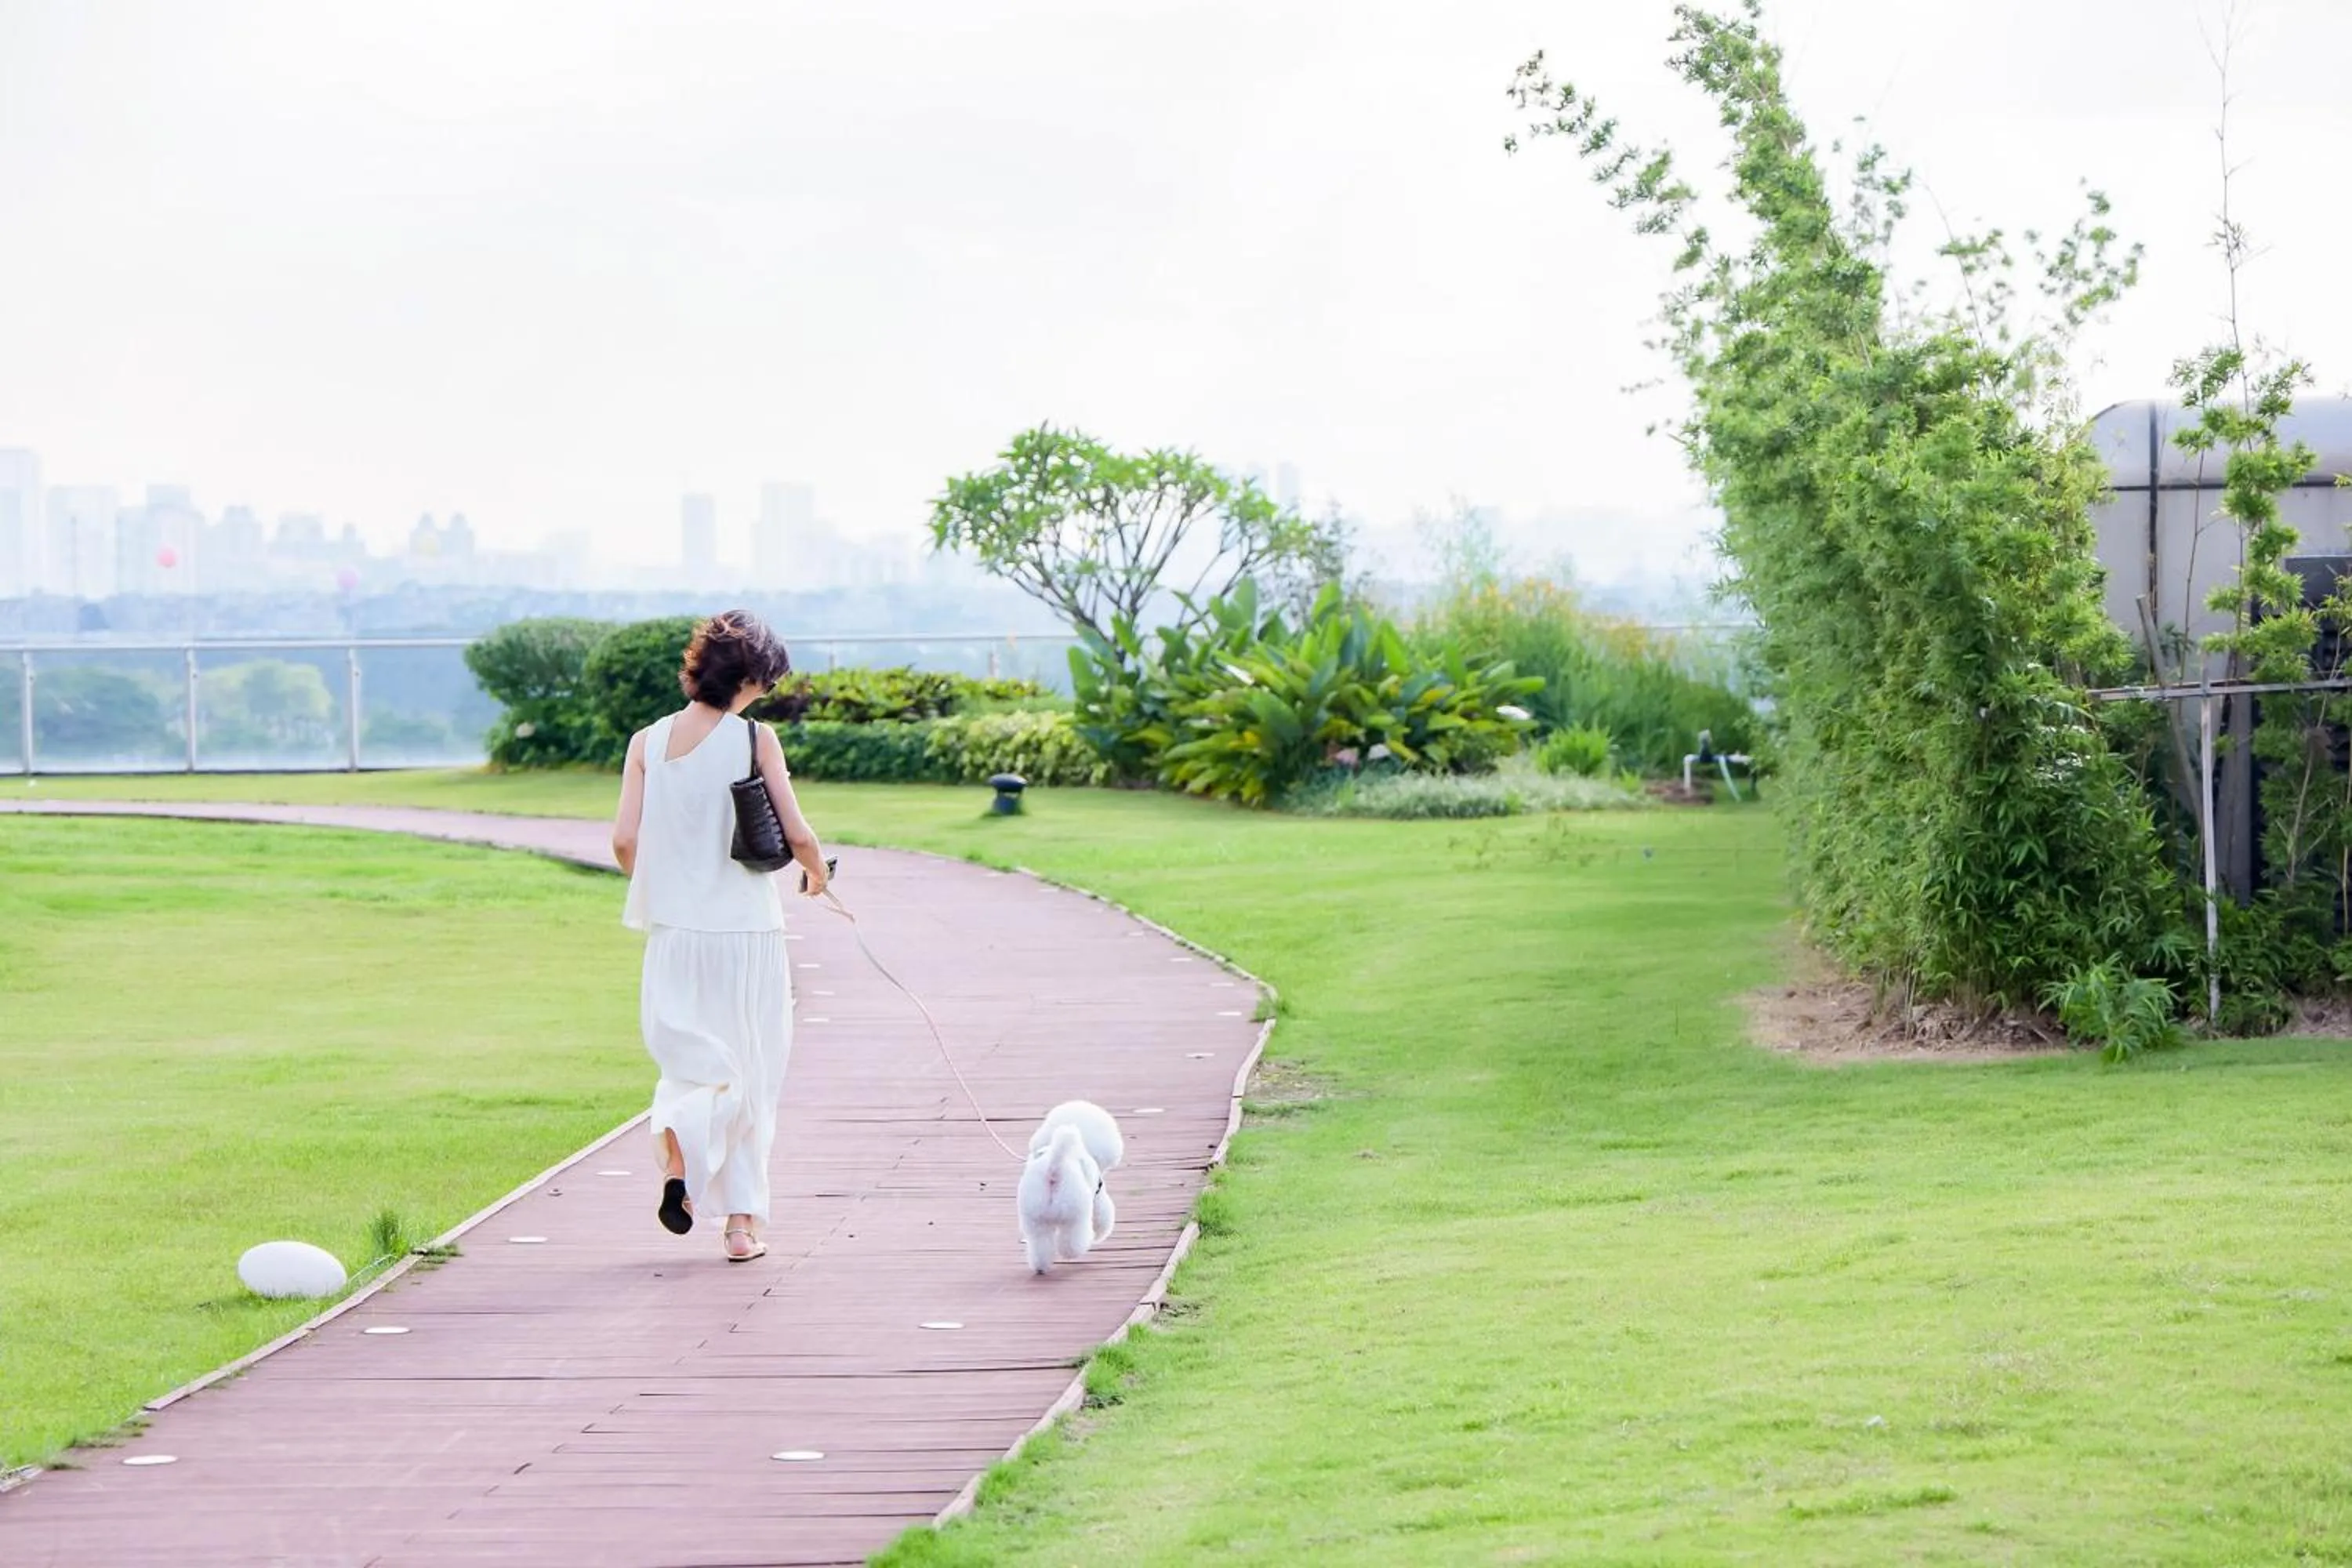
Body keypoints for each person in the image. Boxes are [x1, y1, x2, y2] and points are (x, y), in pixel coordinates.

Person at [609, 611, 829, 1262]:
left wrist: (670, 884)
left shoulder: (645, 742)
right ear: (752, 677)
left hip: (676, 935)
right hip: (747, 934)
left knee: (691, 1062)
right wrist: (818, 875)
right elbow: (797, 835)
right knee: (753, 1073)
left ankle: (680, 1157)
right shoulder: (755, 740)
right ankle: (740, 1225)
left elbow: (625, 842)